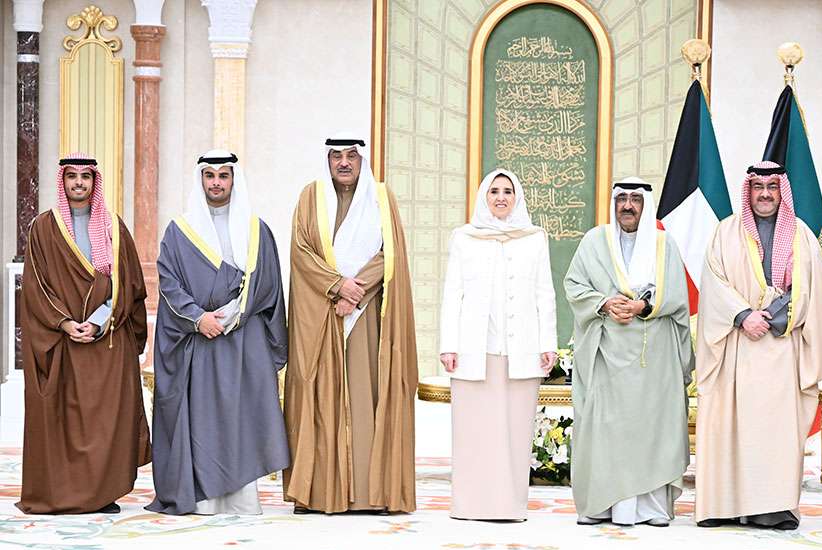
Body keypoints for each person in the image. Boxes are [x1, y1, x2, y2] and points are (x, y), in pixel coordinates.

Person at [695, 161, 822, 530]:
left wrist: (773, 317)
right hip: (735, 346)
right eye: (757, 187)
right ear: (748, 191)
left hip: (782, 346)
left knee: (775, 433)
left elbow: (811, 288)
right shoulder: (725, 233)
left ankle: (773, 507)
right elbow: (713, 282)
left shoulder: (802, 235)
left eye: (772, 187)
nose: (764, 194)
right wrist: (744, 315)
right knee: (729, 428)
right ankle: (724, 505)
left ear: (781, 191)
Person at [146, 150, 290, 515]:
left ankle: (242, 499)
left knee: (242, 418)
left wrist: (237, 312)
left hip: (244, 338)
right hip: (201, 340)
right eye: (209, 176)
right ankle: (204, 498)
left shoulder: (257, 230)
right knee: (204, 421)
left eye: (223, 175)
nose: (216, 183)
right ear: (201, 180)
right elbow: (169, 283)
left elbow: (270, 284)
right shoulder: (180, 231)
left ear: (233, 180)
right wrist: (199, 319)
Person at [284, 135, 418, 514]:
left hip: (367, 314)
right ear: (327, 160)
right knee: (318, 395)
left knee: (366, 396)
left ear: (363, 160)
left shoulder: (382, 198)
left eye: (351, 156)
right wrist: (336, 286)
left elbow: (390, 252)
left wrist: (356, 290)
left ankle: (369, 494)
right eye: (336, 156)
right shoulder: (310, 197)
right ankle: (316, 493)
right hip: (322, 313)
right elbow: (301, 251)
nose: (344, 163)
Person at [17, 153, 150, 514]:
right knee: (66, 421)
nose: (79, 183)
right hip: (62, 339)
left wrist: (100, 320)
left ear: (95, 182)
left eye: (86, 177)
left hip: (107, 339)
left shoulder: (113, 227)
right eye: (72, 176)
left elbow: (129, 284)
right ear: (62, 181)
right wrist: (64, 322)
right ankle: (64, 493)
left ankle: (103, 493)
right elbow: (36, 286)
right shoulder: (44, 227)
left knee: (106, 421)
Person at [564, 177, 693, 527]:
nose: (628, 206)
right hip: (608, 351)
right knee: (607, 428)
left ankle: (651, 508)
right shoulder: (595, 241)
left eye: (636, 199)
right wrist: (604, 302)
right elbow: (574, 284)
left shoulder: (664, 244)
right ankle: (602, 504)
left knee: (652, 428)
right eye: (622, 199)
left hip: (655, 355)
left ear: (645, 205)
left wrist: (643, 306)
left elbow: (678, 295)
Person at [439, 169, 557, 521]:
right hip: (475, 351)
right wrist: (449, 345)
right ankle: (469, 506)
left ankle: (509, 506)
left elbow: (545, 294)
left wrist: (547, 343)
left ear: (517, 197)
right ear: (484, 197)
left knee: (515, 432)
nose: (501, 197)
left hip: (521, 350)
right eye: (494, 191)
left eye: (507, 191)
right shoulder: (464, 238)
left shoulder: (534, 238)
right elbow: (452, 293)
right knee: (474, 433)